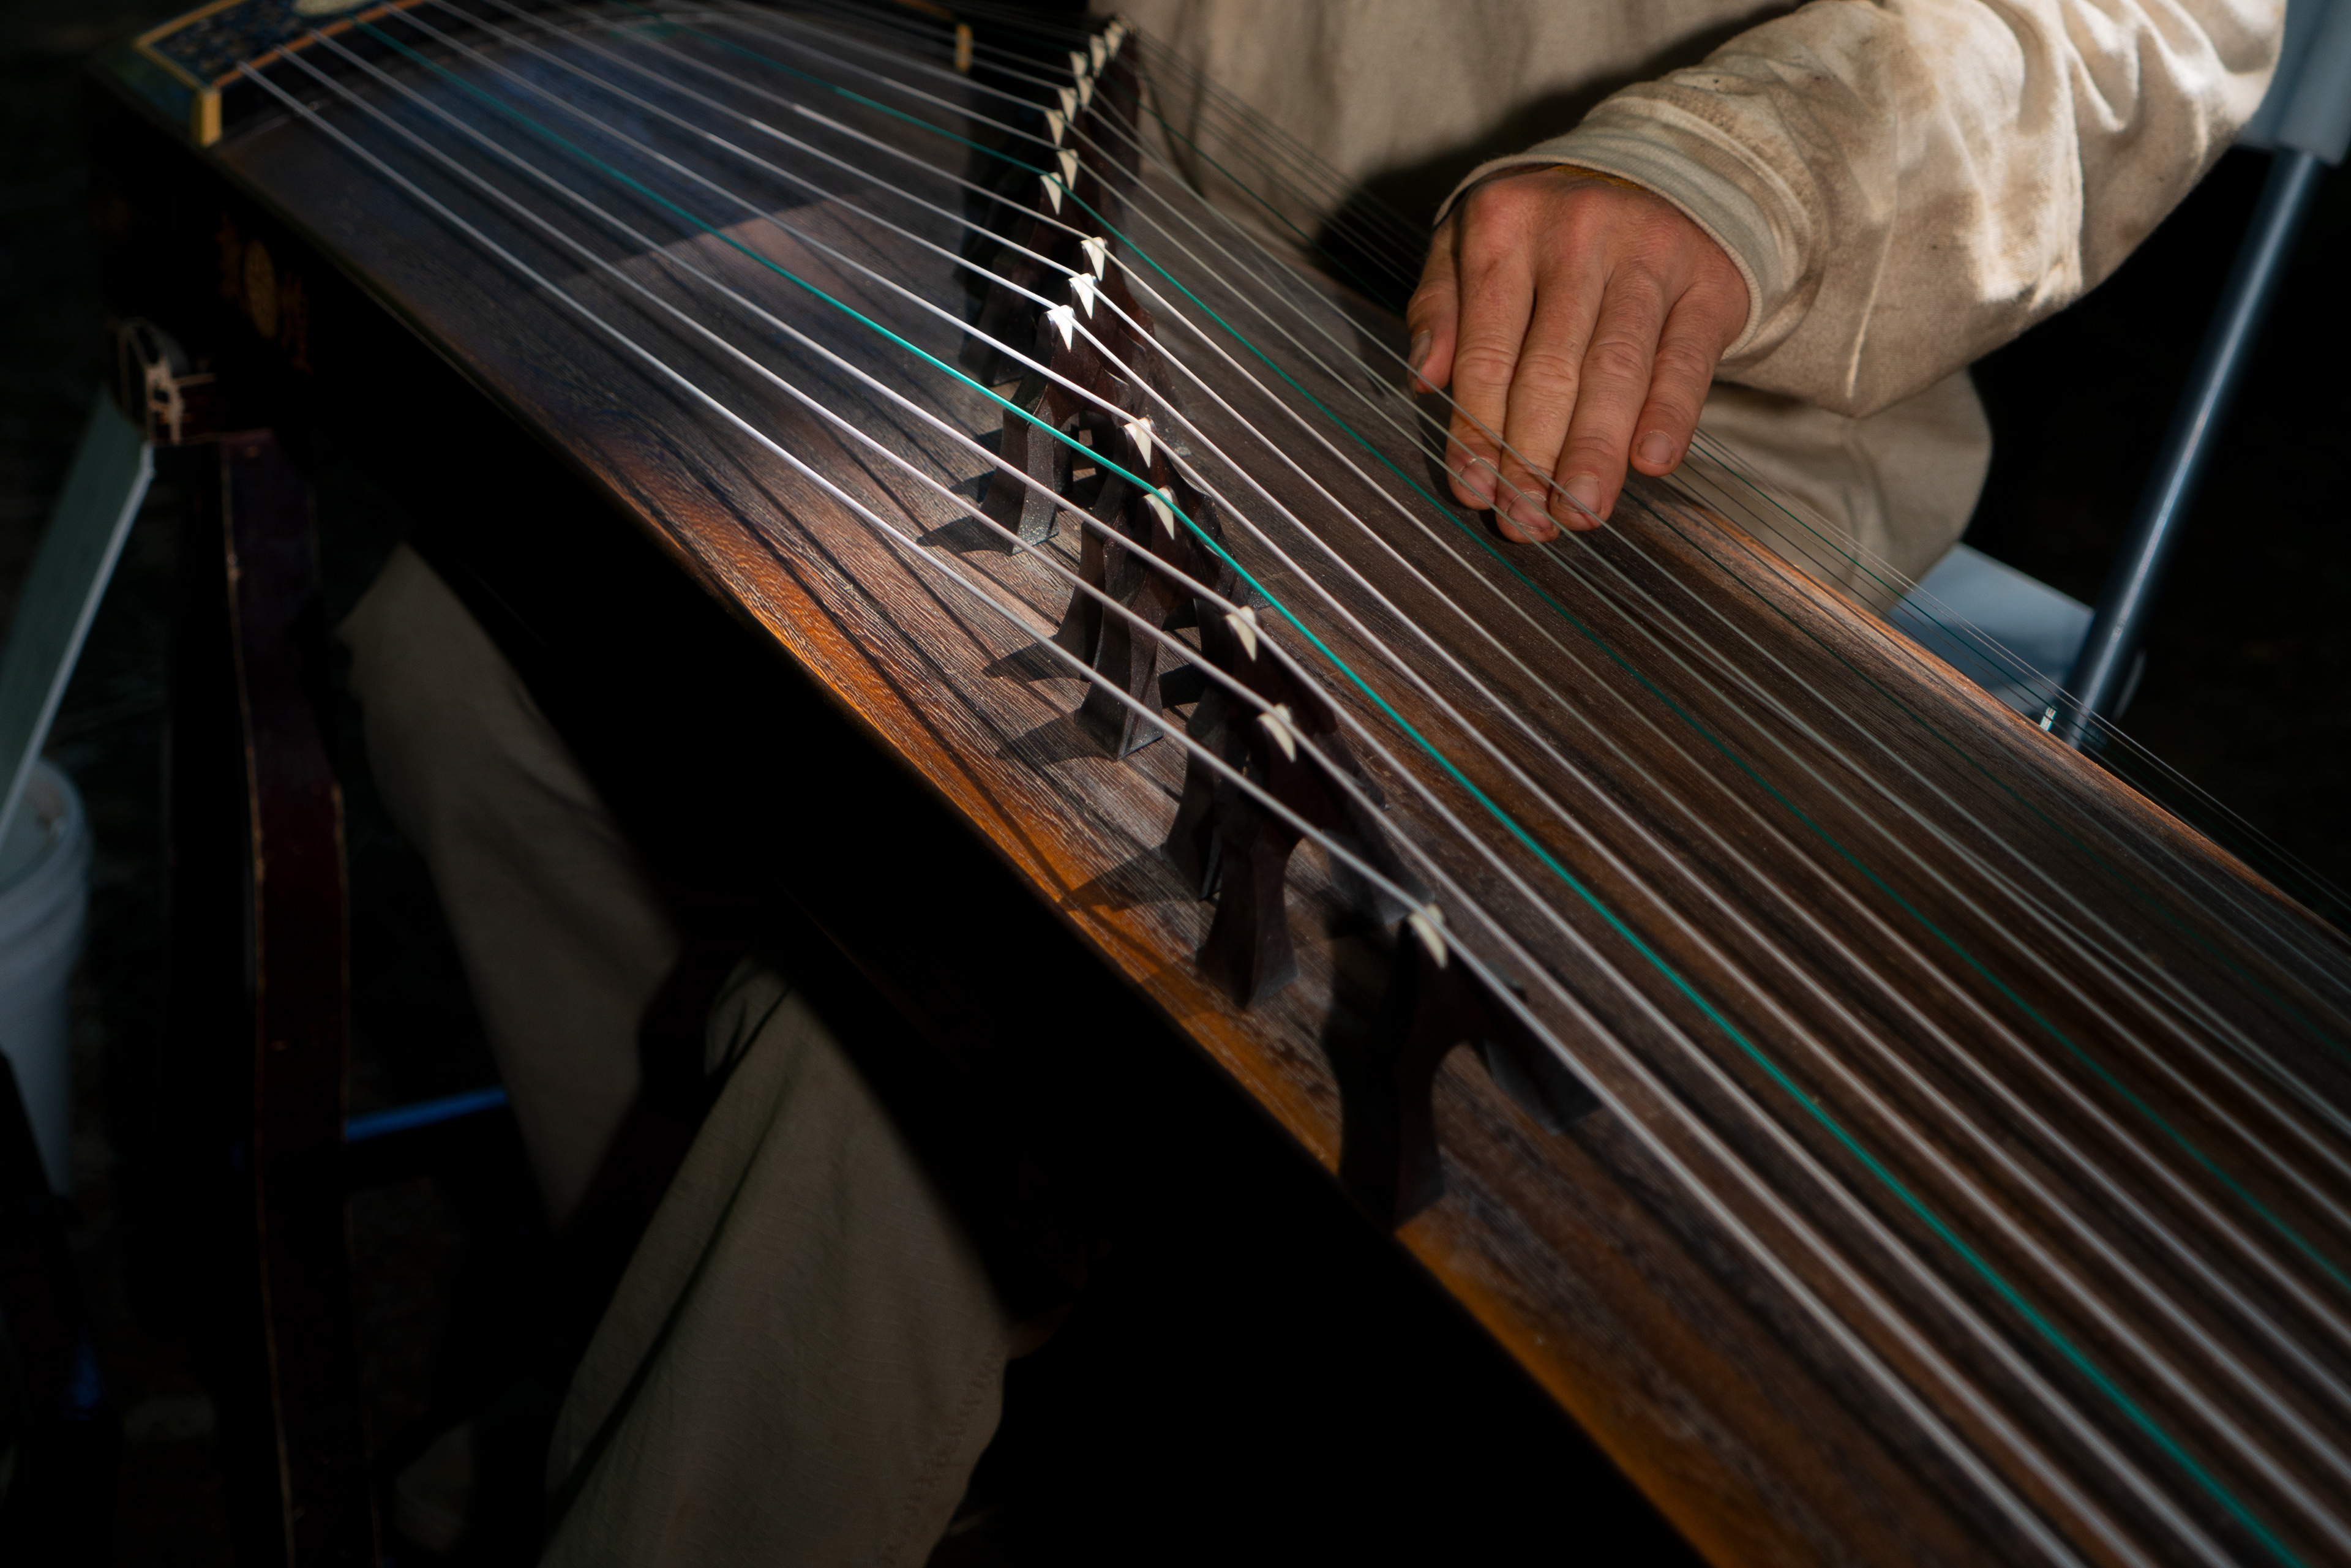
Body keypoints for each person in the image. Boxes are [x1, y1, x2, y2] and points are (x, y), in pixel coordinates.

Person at [339, 1, 2282, 1561]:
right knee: (465, 664)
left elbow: (2131, 25)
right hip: (1155, 277)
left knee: (888, 1043)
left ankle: (761, 1405)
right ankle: (762, 1361)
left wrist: (1734, 166)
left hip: (1625, 433)